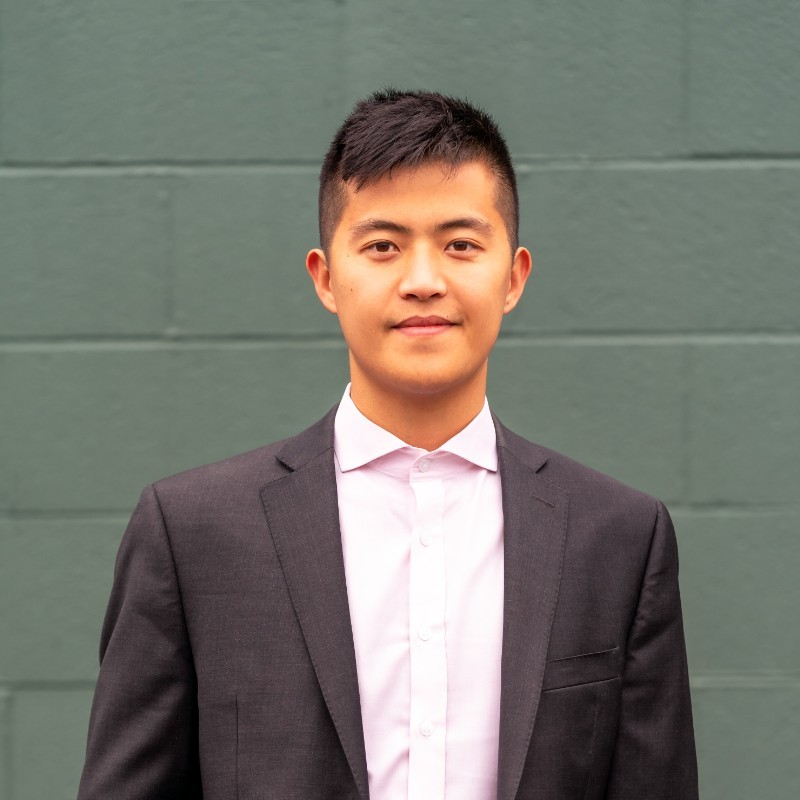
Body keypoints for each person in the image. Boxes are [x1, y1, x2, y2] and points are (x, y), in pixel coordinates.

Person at [77, 89, 698, 800]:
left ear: (513, 277)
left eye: (460, 245)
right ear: (326, 278)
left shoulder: (618, 537)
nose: (423, 281)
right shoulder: (192, 532)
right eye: (382, 247)